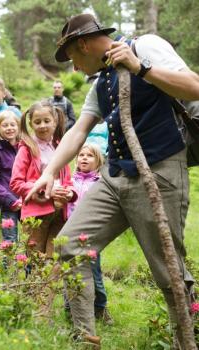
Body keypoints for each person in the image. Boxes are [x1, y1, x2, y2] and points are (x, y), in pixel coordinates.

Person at [25, 13, 199, 348]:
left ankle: (185, 341)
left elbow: (194, 86)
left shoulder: (146, 46)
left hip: (159, 172)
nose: (74, 67)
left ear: (84, 44)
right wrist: (47, 173)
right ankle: (84, 337)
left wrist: (140, 68)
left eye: (73, 57)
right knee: (71, 245)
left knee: (169, 272)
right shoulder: (99, 84)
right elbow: (78, 131)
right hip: (114, 176)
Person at [10, 99, 77, 258]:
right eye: (37, 122)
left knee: (55, 256)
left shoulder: (60, 146)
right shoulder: (27, 148)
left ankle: (52, 284)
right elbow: (16, 183)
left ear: (55, 121)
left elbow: (68, 179)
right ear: (31, 124)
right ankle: (32, 283)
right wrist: (44, 190)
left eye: (47, 121)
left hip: (60, 211)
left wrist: (70, 193)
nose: (42, 125)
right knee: (35, 258)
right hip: (36, 213)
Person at [66, 144, 112, 325]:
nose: (84, 158)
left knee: (94, 274)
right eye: (81, 155)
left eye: (90, 156)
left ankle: (100, 308)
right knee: (69, 273)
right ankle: (70, 309)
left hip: (91, 237)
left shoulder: (100, 184)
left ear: (99, 161)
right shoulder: (71, 180)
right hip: (71, 234)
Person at [0, 110, 22, 242]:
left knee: (32, 239)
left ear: (18, 126)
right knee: (10, 239)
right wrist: (11, 200)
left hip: (26, 201)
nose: (9, 128)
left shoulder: (24, 149)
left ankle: (28, 263)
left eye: (12, 124)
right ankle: (9, 263)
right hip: (7, 204)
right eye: (5, 125)